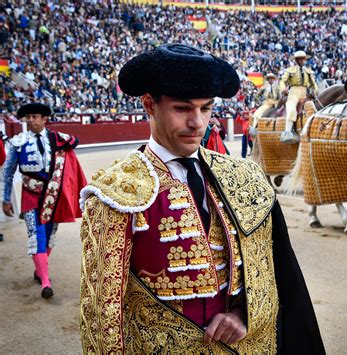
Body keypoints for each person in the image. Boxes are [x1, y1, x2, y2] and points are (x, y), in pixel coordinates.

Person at [79, 43, 325, 354]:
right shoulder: (115, 193)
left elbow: (273, 273)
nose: (197, 122)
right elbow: (103, 315)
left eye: (206, 108)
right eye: (182, 109)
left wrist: (244, 313)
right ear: (149, 105)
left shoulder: (243, 176)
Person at [2, 103, 87, 298]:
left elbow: (74, 146)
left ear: (44, 118)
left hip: (53, 196)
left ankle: (40, 270)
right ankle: (46, 282)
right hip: (30, 195)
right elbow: (7, 173)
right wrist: (5, 199)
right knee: (36, 235)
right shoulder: (18, 142)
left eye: (34, 116)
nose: (31, 120)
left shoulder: (56, 139)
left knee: (49, 236)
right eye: (28, 117)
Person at [279, 50, 318, 143]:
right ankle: (287, 132)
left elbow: (314, 84)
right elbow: (282, 81)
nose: (301, 61)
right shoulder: (290, 70)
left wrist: (315, 91)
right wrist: (283, 89)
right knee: (292, 108)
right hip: (294, 92)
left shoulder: (308, 71)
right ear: (296, 60)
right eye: (299, 59)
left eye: (303, 59)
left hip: (305, 93)